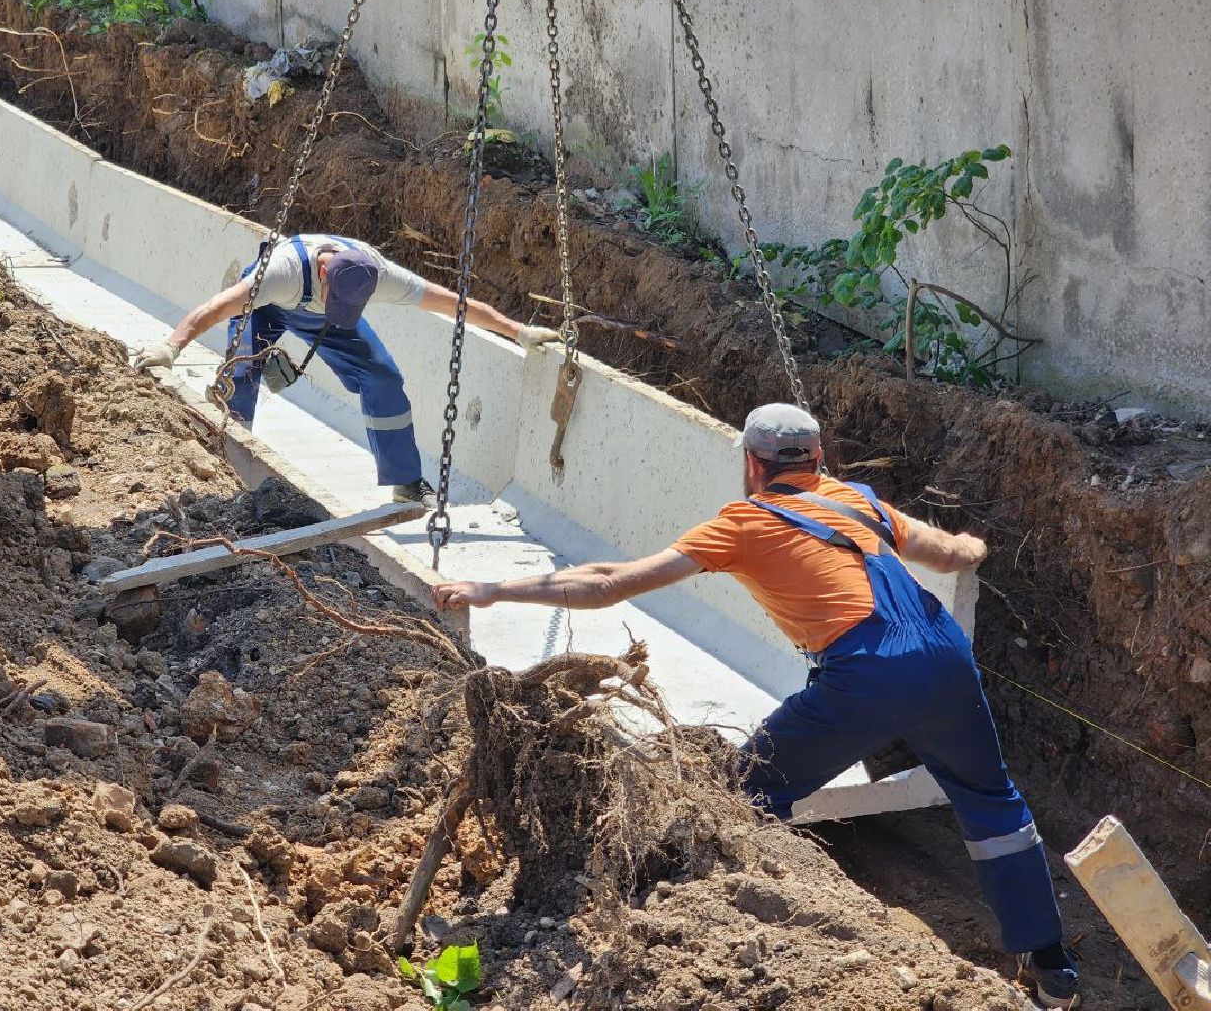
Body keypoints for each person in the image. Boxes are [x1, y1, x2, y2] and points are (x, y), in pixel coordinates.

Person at [432, 403, 1079, 1009]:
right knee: (994, 805)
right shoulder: (858, 501)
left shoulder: (743, 523)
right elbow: (947, 552)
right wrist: (977, 547)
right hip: (946, 657)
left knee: (742, 794)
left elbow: (610, 582)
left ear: (751, 465)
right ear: (819, 460)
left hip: (866, 676)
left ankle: (768, 927)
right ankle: (1051, 967)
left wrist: (490, 589)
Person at [133, 232, 558, 505]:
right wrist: (171, 347)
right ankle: (225, 464)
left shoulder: (376, 271)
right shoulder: (280, 273)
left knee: (383, 378)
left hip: (323, 321)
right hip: (268, 308)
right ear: (323, 270)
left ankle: (406, 482)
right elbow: (217, 306)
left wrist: (517, 331)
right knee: (242, 375)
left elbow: (454, 305)